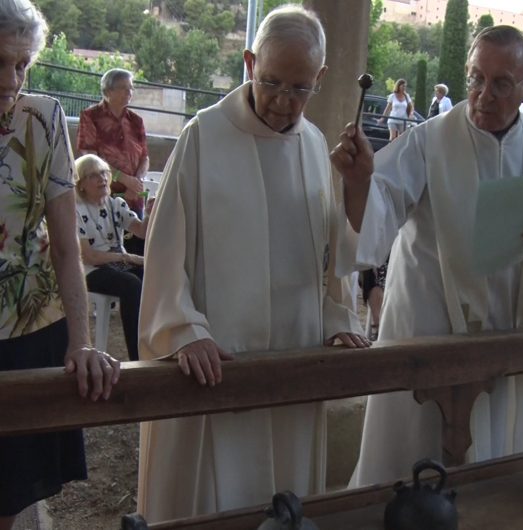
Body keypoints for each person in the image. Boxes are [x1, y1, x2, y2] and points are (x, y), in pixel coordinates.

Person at [136, 5, 367, 522]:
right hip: (220, 363)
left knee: (282, 498)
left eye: (301, 88)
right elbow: (166, 246)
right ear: (248, 63)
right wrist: (182, 328)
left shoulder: (312, 146)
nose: (285, 102)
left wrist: (336, 320)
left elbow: (324, 254)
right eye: (272, 82)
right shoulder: (204, 137)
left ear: (321, 78)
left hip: (292, 360)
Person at [331, 25, 523, 486]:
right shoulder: (430, 140)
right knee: (408, 459)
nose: (484, 94)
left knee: (491, 465)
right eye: (475, 78)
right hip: (427, 320)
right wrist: (361, 181)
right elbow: (380, 210)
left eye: (502, 83)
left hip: (503, 324)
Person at [0, 1, 120, 528]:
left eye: (22, 64)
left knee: (7, 494)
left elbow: (67, 245)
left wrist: (84, 340)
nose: (12, 79)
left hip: (30, 327)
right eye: (0, 62)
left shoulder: (43, 118)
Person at [74, 154, 148, 361]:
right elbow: (89, 257)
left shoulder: (116, 204)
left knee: (149, 276)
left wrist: (151, 212)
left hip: (117, 264)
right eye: (93, 176)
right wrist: (128, 258)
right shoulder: (76, 211)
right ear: (81, 185)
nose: (103, 179)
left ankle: (153, 344)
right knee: (131, 284)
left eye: (104, 173)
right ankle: (138, 356)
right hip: (91, 271)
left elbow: (142, 231)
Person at [77, 68, 149, 255]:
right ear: (108, 92)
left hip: (134, 198)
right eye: (124, 88)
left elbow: (145, 157)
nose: (129, 92)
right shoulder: (90, 116)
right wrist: (124, 179)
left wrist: (136, 183)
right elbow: (90, 158)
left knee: (138, 253)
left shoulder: (136, 120)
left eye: (131, 88)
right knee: (112, 252)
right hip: (104, 196)